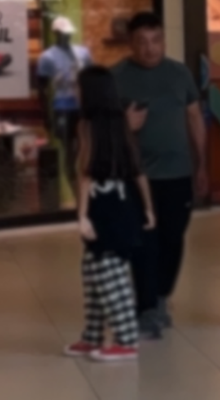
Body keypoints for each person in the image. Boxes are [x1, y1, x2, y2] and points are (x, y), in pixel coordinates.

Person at [112, 11, 205, 336]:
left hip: (177, 174)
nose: (150, 48)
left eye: (156, 40)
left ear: (163, 39)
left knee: (172, 239)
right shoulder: (117, 76)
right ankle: (147, 307)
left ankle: (161, 295)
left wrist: (202, 165)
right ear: (131, 44)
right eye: (142, 42)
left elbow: (194, 118)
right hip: (136, 176)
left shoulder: (179, 74)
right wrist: (124, 124)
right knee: (143, 243)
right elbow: (98, 127)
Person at [65, 66, 154, 362]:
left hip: (102, 208)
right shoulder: (121, 124)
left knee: (106, 271)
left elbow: (85, 172)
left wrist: (82, 215)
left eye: (78, 88)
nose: (75, 93)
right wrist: (148, 208)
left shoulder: (86, 125)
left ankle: (126, 339)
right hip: (124, 205)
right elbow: (137, 169)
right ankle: (92, 336)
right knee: (94, 269)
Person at [37, 15, 92, 171]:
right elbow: (42, 88)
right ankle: (73, 186)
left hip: (83, 106)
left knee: (85, 146)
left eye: (68, 33)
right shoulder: (47, 57)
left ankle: (84, 183)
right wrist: (45, 115)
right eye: (63, 34)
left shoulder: (83, 53)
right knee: (68, 148)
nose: (67, 36)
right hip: (62, 108)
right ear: (55, 34)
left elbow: (92, 80)